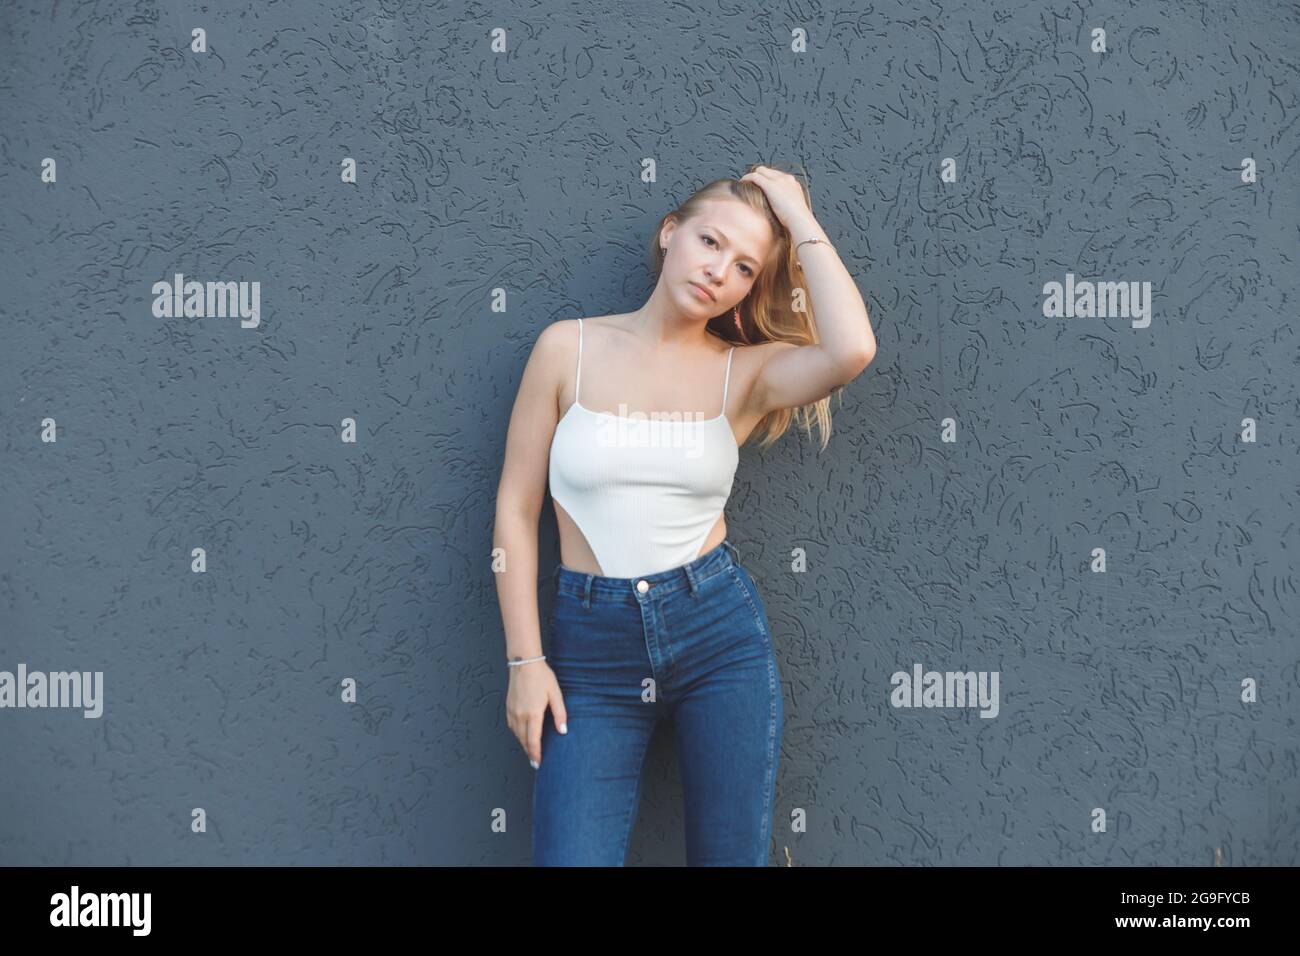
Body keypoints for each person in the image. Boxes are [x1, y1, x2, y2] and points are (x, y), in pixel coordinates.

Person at [492, 163, 877, 865]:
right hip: (589, 657)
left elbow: (852, 349)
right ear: (670, 232)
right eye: (709, 241)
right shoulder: (565, 349)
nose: (717, 270)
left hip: (717, 638)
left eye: (742, 267)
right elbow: (517, 510)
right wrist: (526, 661)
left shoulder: (744, 374)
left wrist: (798, 218)